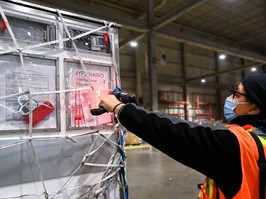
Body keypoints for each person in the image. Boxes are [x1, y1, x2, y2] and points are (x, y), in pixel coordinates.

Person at [98, 73, 266, 199]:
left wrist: (120, 108)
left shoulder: (239, 144)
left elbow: (177, 133)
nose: (230, 99)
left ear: (254, 107)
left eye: (237, 95)